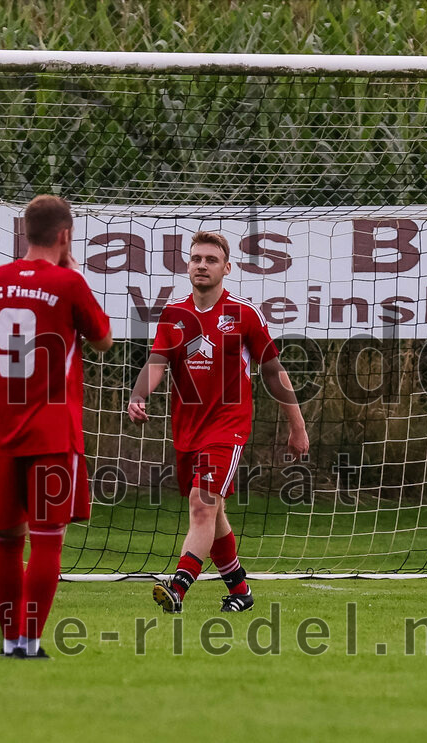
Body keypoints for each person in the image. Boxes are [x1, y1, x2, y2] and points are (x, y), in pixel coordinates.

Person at [0, 194, 113, 659]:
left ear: (25, 232)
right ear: (64, 235)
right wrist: (74, 272)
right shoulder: (68, 283)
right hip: (52, 432)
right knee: (47, 539)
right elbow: (102, 341)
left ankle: (7, 642)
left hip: (0, 430)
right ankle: (29, 639)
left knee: (5, 540)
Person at [128, 230, 309, 613]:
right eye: (196, 259)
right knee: (214, 513)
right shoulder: (174, 315)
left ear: (226, 268)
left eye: (210, 260)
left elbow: (274, 372)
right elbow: (157, 362)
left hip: (229, 426)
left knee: (202, 504)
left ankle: (178, 587)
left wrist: (298, 426)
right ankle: (240, 591)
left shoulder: (243, 314)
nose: (202, 265)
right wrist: (140, 393)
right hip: (188, 429)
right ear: (187, 265)